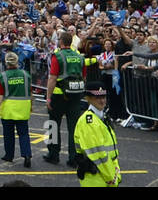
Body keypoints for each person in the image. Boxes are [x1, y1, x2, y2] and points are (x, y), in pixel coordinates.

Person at [44, 30, 86, 165]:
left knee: (53, 125)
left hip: (58, 95)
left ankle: (53, 154)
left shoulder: (58, 56)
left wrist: (48, 97)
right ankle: (74, 158)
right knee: (73, 127)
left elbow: (52, 78)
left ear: (61, 42)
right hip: (75, 94)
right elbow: (83, 76)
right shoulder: (79, 56)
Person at [72, 84, 122, 187]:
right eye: (97, 97)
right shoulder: (88, 122)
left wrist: (115, 172)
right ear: (88, 98)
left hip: (105, 174)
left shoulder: (102, 117)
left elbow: (111, 151)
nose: (102, 101)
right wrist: (111, 177)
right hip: (95, 177)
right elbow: (98, 154)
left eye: (103, 97)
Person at [0, 51, 33, 168]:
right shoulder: (26, 74)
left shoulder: (3, 76)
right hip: (23, 107)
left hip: (8, 109)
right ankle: (27, 155)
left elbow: (0, 94)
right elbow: (30, 92)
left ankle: (9, 155)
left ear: (6, 63)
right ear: (17, 62)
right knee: (23, 133)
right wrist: (32, 105)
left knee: (8, 134)